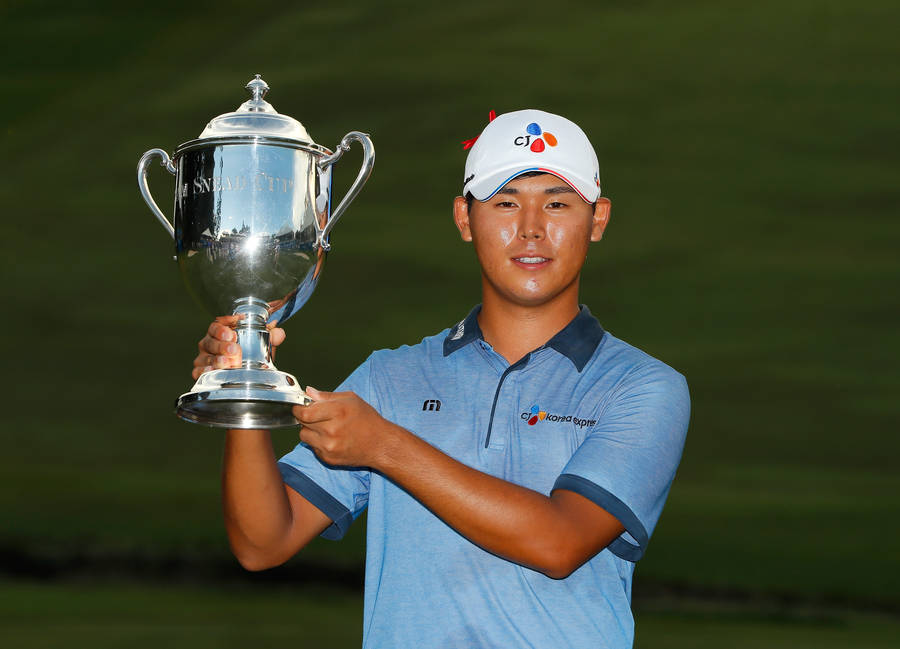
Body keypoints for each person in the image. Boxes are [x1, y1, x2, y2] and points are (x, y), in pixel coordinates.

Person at [193, 109, 690, 648]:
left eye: (557, 203)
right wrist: (243, 393)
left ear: (598, 219)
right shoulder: (390, 378)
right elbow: (263, 541)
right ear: (463, 218)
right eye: (504, 203)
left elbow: (560, 542)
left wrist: (384, 445)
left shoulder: (642, 387)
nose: (530, 229)